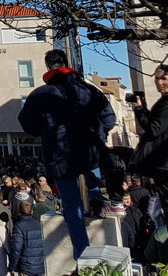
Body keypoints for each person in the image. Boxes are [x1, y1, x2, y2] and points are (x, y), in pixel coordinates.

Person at [17, 49, 115, 260]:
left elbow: (29, 126)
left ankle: (83, 255)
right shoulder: (91, 90)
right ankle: (96, 195)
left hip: (60, 154)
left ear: (47, 67)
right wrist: (98, 132)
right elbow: (109, 119)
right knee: (92, 163)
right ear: (67, 63)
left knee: (72, 207)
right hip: (89, 150)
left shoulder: (40, 94)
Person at [129, 64, 168, 264]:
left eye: (164, 79)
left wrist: (140, 109)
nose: (160, 82)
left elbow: (153, 130)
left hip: (167, 166)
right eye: (157, 78)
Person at [7, 202, 42, 276]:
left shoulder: (19, 226)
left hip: (26, 267)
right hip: (40, 266)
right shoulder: (38, 224)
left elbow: (16, 249)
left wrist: (12, 267)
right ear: (32, 211)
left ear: (19, 211)